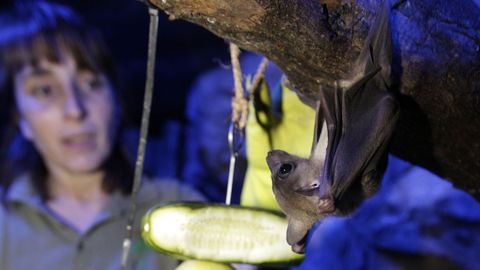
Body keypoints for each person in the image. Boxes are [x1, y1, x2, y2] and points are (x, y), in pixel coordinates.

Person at [0, 2, 203, 269]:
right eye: (45, 91)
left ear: (116, 100)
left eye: (91, 83)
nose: (75, 109)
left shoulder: (173, 205)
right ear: (19, 117)